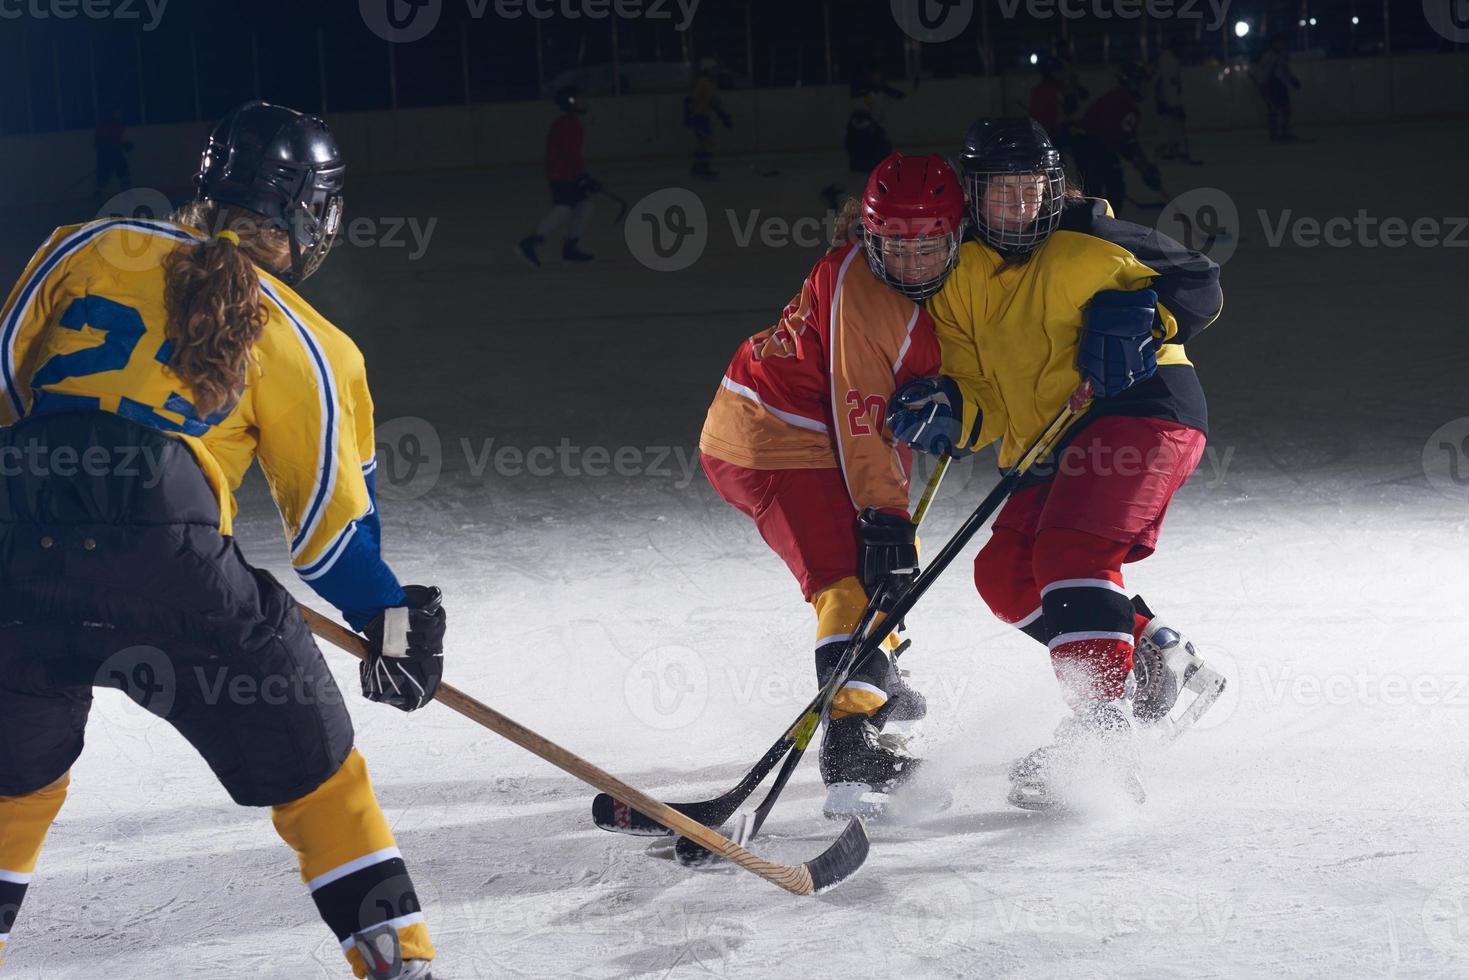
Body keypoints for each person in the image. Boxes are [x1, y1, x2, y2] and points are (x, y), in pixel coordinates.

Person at [0, 102, 445, 979]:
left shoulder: (79, 247)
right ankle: (399, 963)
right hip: (179, 583)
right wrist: (397, 630)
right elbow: (332, 547)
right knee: (321, 781)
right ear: (313, 221)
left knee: (10, 789)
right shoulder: (313, 345)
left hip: (18, 558)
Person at [887, 118, 1225, 811]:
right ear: (970, 198)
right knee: (1005, 576)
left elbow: (1198, 283)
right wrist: (952, 409)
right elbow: (982, 388)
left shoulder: (1091, 238)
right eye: (998, 194)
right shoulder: (956, 275)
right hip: (1049, 433)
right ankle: (1153, 651)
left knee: (1072, 551)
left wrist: (1144, 317)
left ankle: (1100, 734)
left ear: (1053, 188)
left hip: (1141, 406)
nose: (1018, 208)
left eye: (1030, 191)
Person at [698, 153, 964, 819]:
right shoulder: (864, 296)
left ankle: (877, 677)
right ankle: (851, 747)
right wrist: (884, 517)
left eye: (929, 247)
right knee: (850, 578)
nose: (912, 263)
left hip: (823, 434)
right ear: (869, 238)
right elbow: (859, 418)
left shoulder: (939, 276)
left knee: (882, 567)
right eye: (896, 248)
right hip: (773, 438)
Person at [516, 86, 597, 267]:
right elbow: (569, 154)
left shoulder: (569, 123)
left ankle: (570, 249)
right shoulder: (567, 124)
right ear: (570, 102)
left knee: (584, 206)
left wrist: (582, 175)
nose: (584, 102)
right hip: (561, 174)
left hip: (566, 173)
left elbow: (572, 154)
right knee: (564, 208)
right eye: (579, 99)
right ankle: (529, 243)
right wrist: (582, 176)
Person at [1072, 63, 1164, 209]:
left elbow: (1123, 141)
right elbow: (1125, 143)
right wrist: (1144, 168)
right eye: (1143, 84)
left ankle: (1094, 221)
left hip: (1085, 144)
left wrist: (1143, 166)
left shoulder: (1116, 97)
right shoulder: (1126, 106)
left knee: (1096, 187)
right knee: (1113, 187)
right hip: (1093, 146)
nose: (1146, 89)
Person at [685, 58, 732, 179]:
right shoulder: (702, 83)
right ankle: (701, 169)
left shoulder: (712, 83)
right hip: (698, 117)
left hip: (705, 116)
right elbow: (689, 100)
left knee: (705, 143)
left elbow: (713, 102)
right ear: (707, 70)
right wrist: (688, 116)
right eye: (713, 69)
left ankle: (699, 168)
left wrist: (723, 116)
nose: (716, 71)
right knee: (707, 143)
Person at [1258, 35, 1301, 141]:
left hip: (1281, 85)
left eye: (1282, 42)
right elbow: (1266, 72)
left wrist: (1292, 79)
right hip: (1272, 84)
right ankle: (1274, 134)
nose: (1281, 45)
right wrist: (1264, 85)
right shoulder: (1268, 56)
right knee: (1273, 110)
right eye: (1278, 42)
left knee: (1286, 110)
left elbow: (1285, 70)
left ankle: (1285, 132)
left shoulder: (1283, 55)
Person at [93, 106, 133, 198]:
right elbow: (121, 141)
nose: (118, 115)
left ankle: (99, 195)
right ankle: (127, 197)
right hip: (113, 155)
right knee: (121, 176)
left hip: (107, 156)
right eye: (117, 113)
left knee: (104, 179)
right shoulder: (115, 126)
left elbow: (97, 144)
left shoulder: (104, 126)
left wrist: (125, 145)